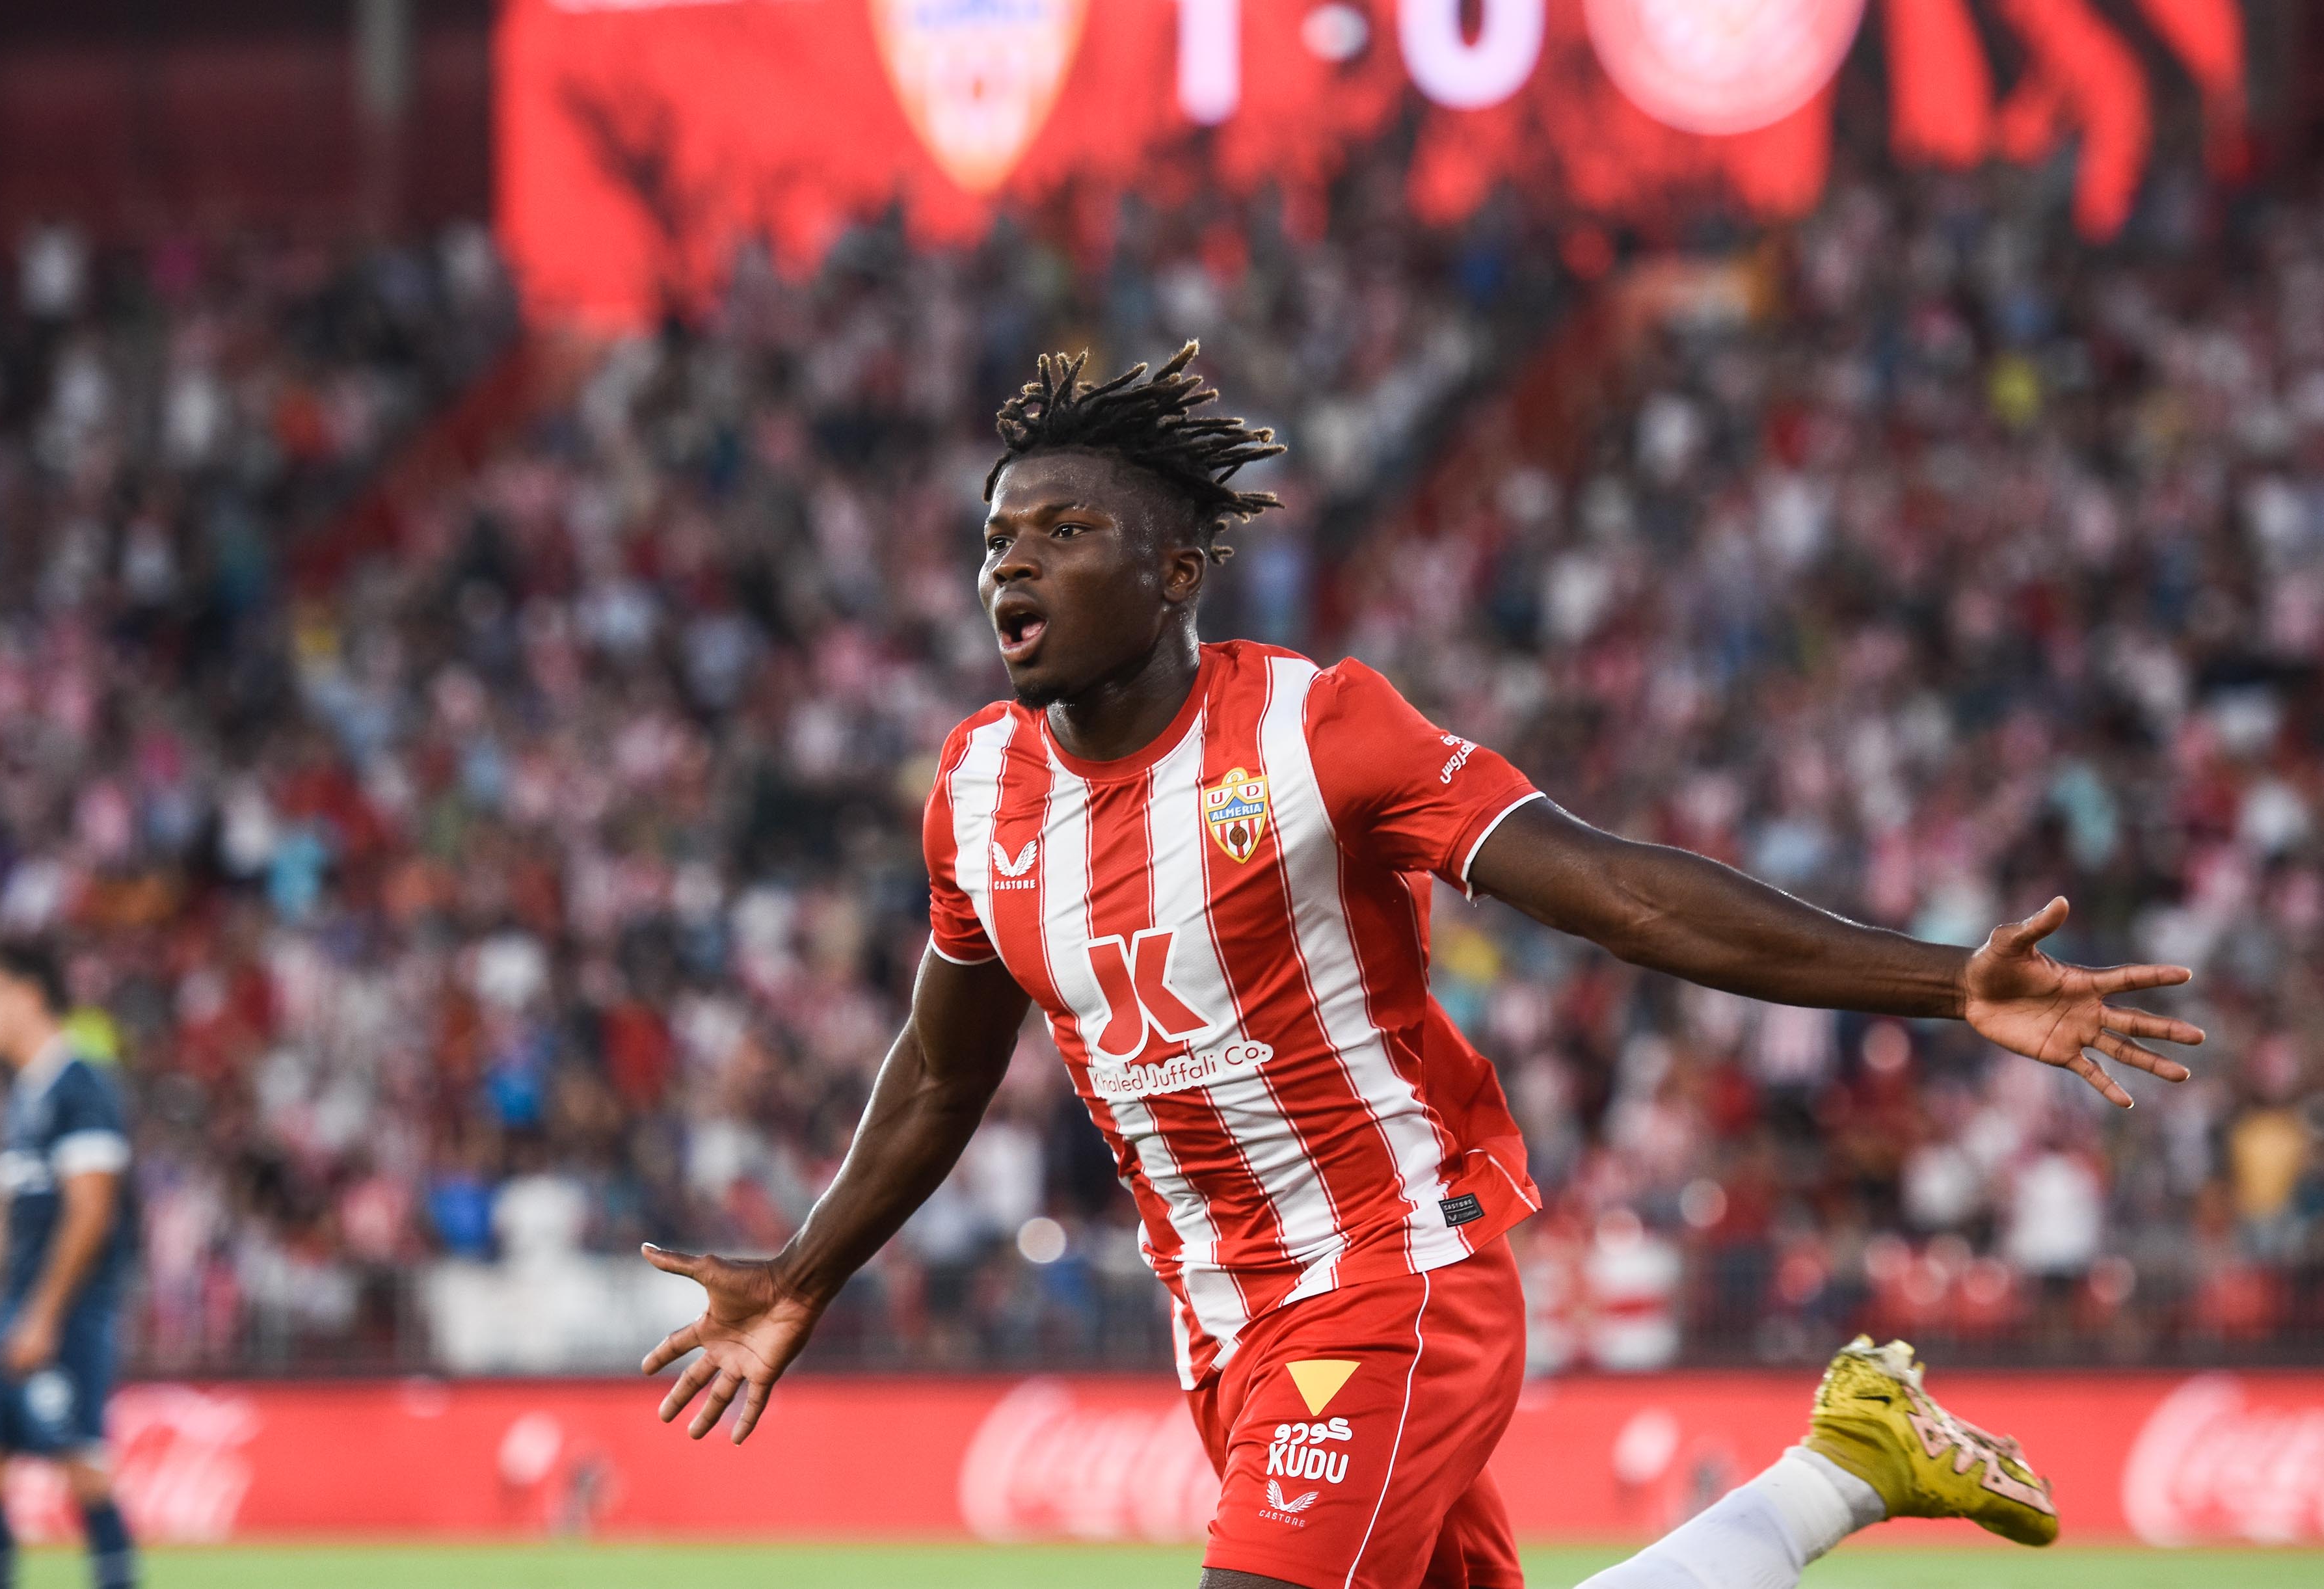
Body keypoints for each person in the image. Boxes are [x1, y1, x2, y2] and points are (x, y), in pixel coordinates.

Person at [639, 345, 2205, 1589]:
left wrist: (1940, 982)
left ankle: (1838, 1473)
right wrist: (800, 1271)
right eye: (996, 539)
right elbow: (937, 1067)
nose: (1012, 570)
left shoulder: (1315, 732)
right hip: (1226, 1330)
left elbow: (1607, 890)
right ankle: (1844, 1468)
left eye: (1064, 532)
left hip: (1391, 1281)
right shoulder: (976, 787)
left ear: (1177, 571)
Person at [0, 943, 139, 1589]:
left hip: (64, 1315)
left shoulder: (82, 1087)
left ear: (28, 995)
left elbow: (91, 1211)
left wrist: (44, 1314)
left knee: (84, 1471)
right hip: (12, 1314)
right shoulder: (22, 1099)